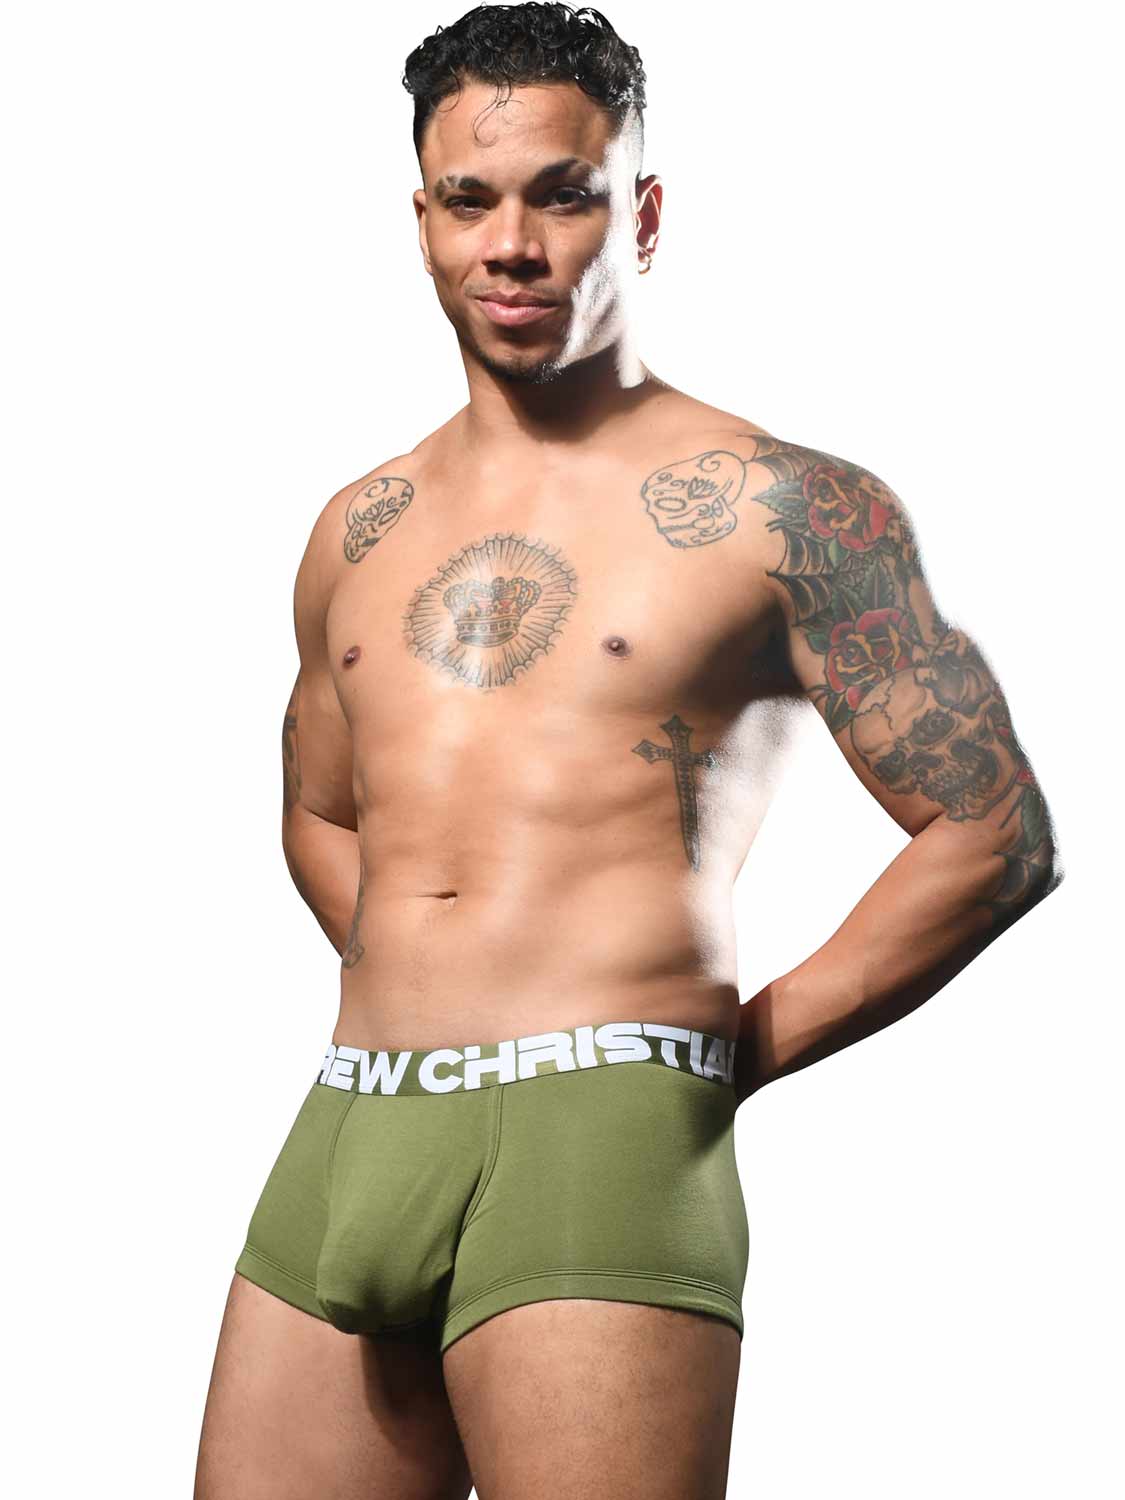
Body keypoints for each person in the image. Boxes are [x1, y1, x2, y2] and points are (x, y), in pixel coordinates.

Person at [193, 4, 1064, 1496]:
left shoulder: (782, 505)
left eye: (563, 194)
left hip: (601, 1127)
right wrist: (434, 961)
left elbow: (994, 830)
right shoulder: (359, 527)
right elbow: (321, 811)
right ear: (421, 222)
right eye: (470, 199)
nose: (512, 245)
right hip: (353, 1115)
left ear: (640, 212)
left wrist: (727, 1056)